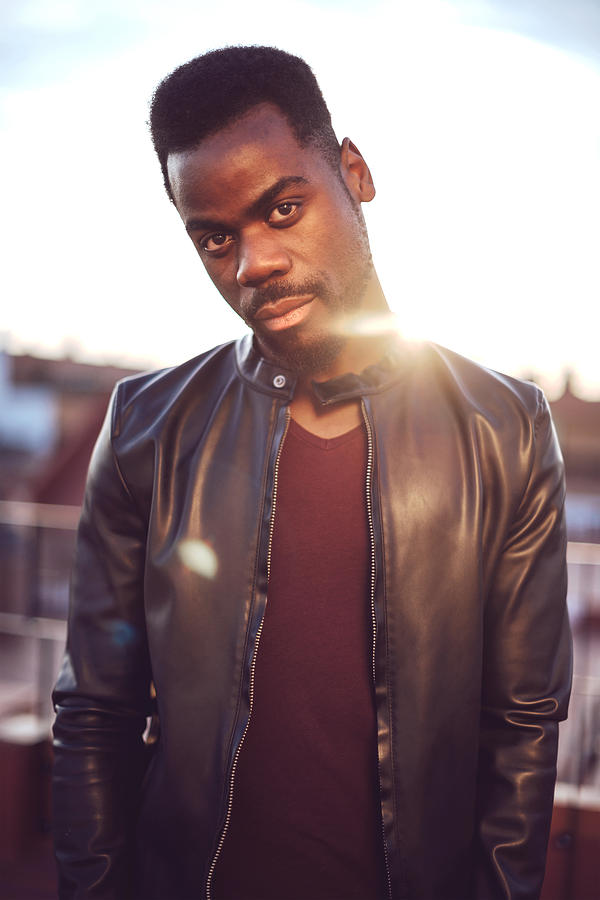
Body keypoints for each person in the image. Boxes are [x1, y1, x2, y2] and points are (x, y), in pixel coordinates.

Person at [52, 46, 572, 900]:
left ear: (355, 175)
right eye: (216, 237)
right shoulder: (145, 427)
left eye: (283, 209)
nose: (253, 264)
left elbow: (520, 732)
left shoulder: (506, 429)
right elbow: (96, 713)